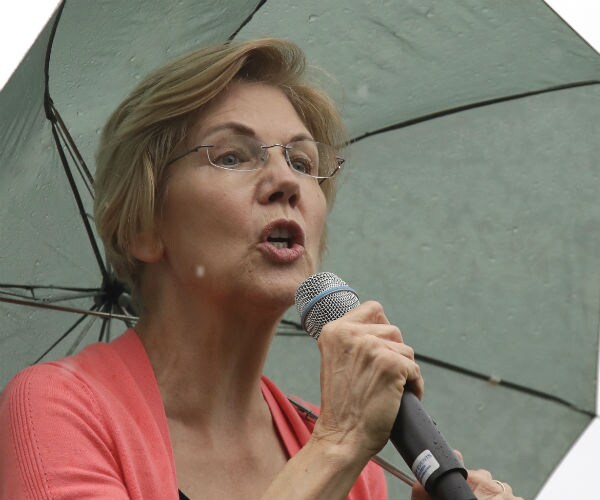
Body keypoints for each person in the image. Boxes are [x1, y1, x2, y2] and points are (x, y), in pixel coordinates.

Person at [0, 38, 522, 500]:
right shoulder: (57, 409)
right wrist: (336, 448)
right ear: (145, 226)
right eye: (231, 157)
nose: (286, 182)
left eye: (301, 161)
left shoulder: (350, 466)